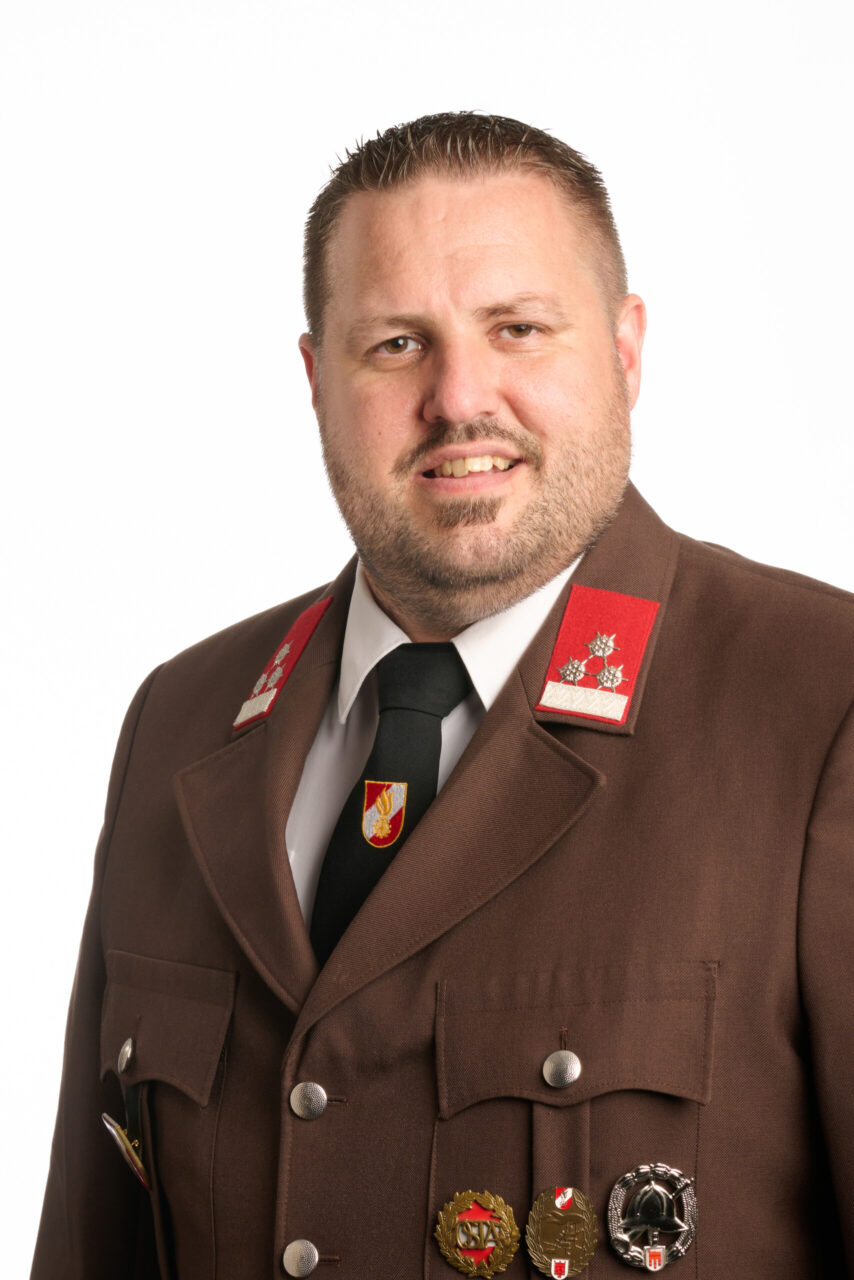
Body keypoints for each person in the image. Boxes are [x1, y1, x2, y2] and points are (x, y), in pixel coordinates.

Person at [31, 111, 853, 1280]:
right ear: (316, 379)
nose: (459, 396)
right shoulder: (181, 719)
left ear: (625, 350)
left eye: (517, 327)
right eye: (395, 343)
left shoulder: (819, 704)